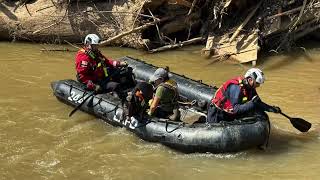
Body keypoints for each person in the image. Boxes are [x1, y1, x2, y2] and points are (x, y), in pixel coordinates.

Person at [207, 68, 281, 123]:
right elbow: (236, 109)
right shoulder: (236, 87)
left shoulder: (250, 87)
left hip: (229, 113)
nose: (258, 85)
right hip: (218, 113)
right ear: (250, 80)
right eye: (257, 83)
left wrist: (271, 109)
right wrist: (252, 103)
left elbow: (258, 102)